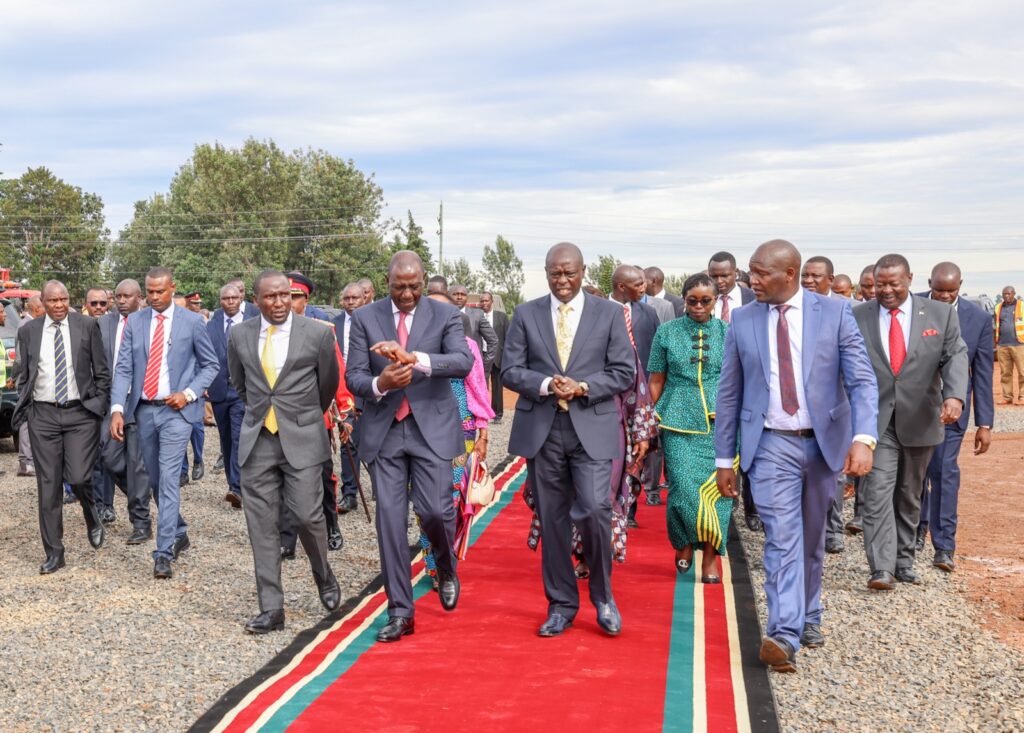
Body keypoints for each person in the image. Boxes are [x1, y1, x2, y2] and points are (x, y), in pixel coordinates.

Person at [715, 239, 878, 672]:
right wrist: (723, 459)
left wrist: (864, 437)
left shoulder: (836, 313)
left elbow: (861, 381)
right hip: (770, 445)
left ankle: (809, 614)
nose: (752, 280)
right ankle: (783, 634)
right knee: (782, 538)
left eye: (760, 273)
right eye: (750, 272)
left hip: (824, 445)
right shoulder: (743, 320)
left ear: (789, 274)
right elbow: (728, 394)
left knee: (811, 540)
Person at [503, 242, 635, 638]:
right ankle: (561, 604)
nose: (562, 281)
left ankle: (603, 596)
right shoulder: (525, 314)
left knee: (595, 509)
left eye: (569, 273)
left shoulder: (610, 314)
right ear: (545, 273)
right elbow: (509, 369)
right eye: (555, 273)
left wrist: (583, 386)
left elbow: (624, 371)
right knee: (553, 519)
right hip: (543, 430)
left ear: (583, 272)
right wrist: (546, 384)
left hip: (591, 427)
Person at [345, 251, 473, 643]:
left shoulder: (445, 314)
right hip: (384, 430)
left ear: (423, 282)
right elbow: (354, 376)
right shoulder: (365, 318)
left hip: (430, 427)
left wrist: (413, 358)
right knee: (390, 522)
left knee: (435, 511)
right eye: (399, 286)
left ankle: (445, 564)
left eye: (414, 286)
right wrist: (381, 383)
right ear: (387, 283)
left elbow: (462, 361)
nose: (407, 293)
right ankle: (401, 611)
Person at [227, 270, 343, 633]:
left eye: (285, 295)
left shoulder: (319, 334)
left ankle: (322, 572)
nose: (279, 303)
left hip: (304, 437)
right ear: (256, 300)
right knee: (261, 526)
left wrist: (303, 417)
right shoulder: (240, 335)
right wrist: (263, 414)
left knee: (308, 515)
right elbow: (240, 384)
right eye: (270, 297)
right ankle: (272, 609)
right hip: (258, 439)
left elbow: (327, 385)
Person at [853, 254, 967, 590]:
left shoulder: (940, 314)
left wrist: (955, 395)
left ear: (910, 279)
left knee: (909, 494)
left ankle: (904, 561)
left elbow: (955, 356)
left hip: (921, 418)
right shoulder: (857, 315)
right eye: (880, 283)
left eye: (894, 283)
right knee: (876, 493)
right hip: (876, 421)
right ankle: (881, 568)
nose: (886, 290)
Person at [110, 267, 219, 580]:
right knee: (155, 480)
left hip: (177, 414)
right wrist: (117, 408)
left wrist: (188, 394)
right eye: (150, 292)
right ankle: (179, 530)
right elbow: (124, 368)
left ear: (173, 288)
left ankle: (163, 552)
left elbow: (210, 365)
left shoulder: (193, 322)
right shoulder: (136, 321)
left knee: (169, 478)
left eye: (160, 291)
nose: (154, 297)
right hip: (144, 411)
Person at [12, 280, 111, 574]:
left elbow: (102, 371)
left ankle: (91, 512)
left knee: (79, 476)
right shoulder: (28, 331)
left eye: (64, 299)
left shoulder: (86, 326)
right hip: (43, 416)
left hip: (80, 413)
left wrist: (98, 405)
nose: (59, 305)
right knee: (49, 485)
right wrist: (27, 406)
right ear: (42, 302)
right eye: (53, 300)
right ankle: (55, 552)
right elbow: (22, 373)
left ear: (69, 299)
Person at [649, 273, 734, 581]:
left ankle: (711, 556)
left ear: (715, 301)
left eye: (706, 301)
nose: (699, 306)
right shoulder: (666, 332)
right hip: (677, 420)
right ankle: (683, 541)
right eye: (692, 301)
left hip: (721, 424)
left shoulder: (728, 332)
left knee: (719, 493)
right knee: (684, 490)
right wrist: (648, 418)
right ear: (683, 300)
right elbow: (656, 379)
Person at [917, 263, 994, 572]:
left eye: (952, 290)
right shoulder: (915, 307)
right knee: (914, 475)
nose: (945, 296)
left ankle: (944, 545)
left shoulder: (978, 319)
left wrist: (984, 422)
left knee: (944, 472)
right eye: (939, 290)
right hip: (914, 409)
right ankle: (915, 532)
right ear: (929, 284)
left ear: (961, 285)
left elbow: (984, 372)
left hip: (953, 414)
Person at [419, 292, 493, 584]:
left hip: (459, 429)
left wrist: (483, 430)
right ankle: (433, 563)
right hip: (418, 428)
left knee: (450, 498)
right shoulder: (410, 344)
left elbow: (478, 390)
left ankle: (446, 562)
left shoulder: (468, 346)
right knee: (424, 502)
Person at [98, 279, 154, 544]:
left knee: (138, 465)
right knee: (109, 457)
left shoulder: (149, 322)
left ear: (139, 297)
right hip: (114, 404)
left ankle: (141, 522)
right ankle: (140, 497)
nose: (121, 300)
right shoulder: (105, 324)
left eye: (127, 296)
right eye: (117, 296)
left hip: (142, 403)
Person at [707, 250, 760, 532]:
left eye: (725, 275)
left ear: (736, 273)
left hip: (750, 383)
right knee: (723, 445)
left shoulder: (753, 300)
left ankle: (753, 509)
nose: (719, 281)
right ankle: (723, 505)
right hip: (716, 386)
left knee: (751, 447)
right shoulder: (703, 300)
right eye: (714, 275)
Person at [607, 265, 659, 520]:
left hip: (642, 394)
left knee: (640, 450)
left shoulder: (649, 313)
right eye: (638, 284)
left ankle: (630, 508)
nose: (644, 287)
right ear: (621, 287)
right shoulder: (598, 312)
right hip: (609, 396)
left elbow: (658, 355)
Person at [207, 283, 254, 509]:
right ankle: (232, 484)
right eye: (226, 299)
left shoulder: (253, 317)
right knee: (225, 440)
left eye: (234, 298)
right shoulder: (214, 321)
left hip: (241, 390)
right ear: (220, 301)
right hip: (218, 391)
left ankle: (237, 487)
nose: (230, 302)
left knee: (238, 437)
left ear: (241, 298)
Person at [333, 282, 366, 514]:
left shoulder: (373, 321)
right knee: (348, 440)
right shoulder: (333, 325)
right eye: (347, 298)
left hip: (368, 386)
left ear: (364, 298)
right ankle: (349, 492)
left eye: (355, 298)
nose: (351, 302)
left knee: (373, 440)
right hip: (342, 389)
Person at [15, 294, 45, 477]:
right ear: (35, 309)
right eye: (43, 307)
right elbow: (20, 359)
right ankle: (25, 462)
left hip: (32, 381)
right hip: (27, 382)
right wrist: (16, 378)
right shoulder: (26, 326)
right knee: (26, 419)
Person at [449, 284, 498, 374]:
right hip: (449, 371)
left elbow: (493, 340)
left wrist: (483, 365)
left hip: (474, 371)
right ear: (449, 296)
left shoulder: (477, 315)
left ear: (467, 297)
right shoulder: (443, 314)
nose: (459, 297)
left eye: (463, 294)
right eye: (455, 294)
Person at [479, 292, 508, 423]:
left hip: (497, 356)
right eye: (482, 301)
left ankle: (498, 414)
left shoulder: (502, 317)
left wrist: (506, 357)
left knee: (497, 386)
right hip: (481, 355)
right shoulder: (476, 316)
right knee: (481, 385)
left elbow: (508, 338)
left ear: (492, 302)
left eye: (486, 301)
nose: (484, 303)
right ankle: (482, 412)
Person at [994, 286, 1024, 404]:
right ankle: (1007, 397)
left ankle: (1022, 396)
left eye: (1009, 293)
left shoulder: (1022, 306)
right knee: (1005, 372)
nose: (1006, 296)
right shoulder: (998, 307)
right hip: (1002, 345)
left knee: (1022, 371)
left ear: (1014, 294)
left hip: (1019, 344)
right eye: (1004, 294)